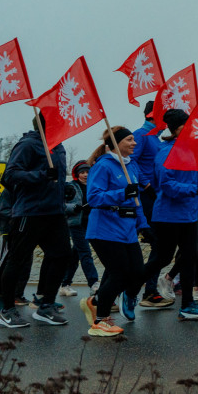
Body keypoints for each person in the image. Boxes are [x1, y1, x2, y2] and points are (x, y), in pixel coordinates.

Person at [0, 113, 71, 328]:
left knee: (62, 255)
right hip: (30, 213)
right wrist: (41, 175)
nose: (64, 123)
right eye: (60, 120)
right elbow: (9, 176)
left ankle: (46, 306)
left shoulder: (59, 146)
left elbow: (55, 178)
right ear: (48, 124)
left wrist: (64, 190)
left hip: (55, 213)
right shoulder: (28, 144)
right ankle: (6, 310)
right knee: (17, 260)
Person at [79, 127, 152, 337]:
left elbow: (136, 201)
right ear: (116, 144)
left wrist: (144, 225)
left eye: (134, 139)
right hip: (104, 228)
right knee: (119, 274)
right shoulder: (103, 166)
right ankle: (100, 321)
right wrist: (122, 193)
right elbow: (93, 198)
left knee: (138, 273)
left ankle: (96, 302)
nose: (134, 143)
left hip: (127, 229)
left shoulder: (132, 165)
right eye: (129, 139)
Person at [140, 109, 198, 320]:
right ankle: (129, 288)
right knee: (162, 258)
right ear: (177, 129)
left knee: (190, 258)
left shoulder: (191, 151)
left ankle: (187, 305)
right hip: (168, 216)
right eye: (186, 127)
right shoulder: (166, 152)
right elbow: (166, 184)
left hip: (189, 215)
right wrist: (194, 190)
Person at [131, 100, 171, 309]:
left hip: (157, 197)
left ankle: (148, 290)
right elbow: (131, 161)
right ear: (153, 115)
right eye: (163, 115)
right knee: (156, 244)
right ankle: (145, 291)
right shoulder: (141, 135)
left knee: (160, 245)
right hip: (145, 197)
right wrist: (145, 184)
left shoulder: (157, 138)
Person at [59, 160, 99, 297]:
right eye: (82, 172)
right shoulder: (70, 187)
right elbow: (61, 204)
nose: (86, 175)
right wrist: (73, 207)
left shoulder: (95, 186)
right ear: (77, 174)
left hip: (91, 224)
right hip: (76, 224)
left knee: (75, 255)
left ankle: (65, 284)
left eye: (88, 172)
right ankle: (94, 283)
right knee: (85, 253)